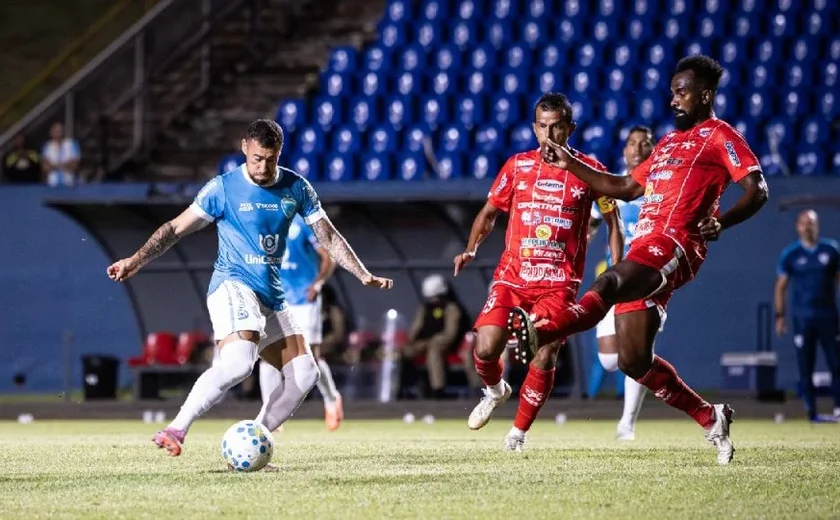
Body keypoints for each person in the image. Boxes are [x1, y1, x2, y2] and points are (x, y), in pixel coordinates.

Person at [520, 55, 769, 465]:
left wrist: (721, 222)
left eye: (682, 92)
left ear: (705, 95)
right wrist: (570, 163)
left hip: (676, 243)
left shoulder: (721, 135)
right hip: (644, 251)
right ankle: (711, 417)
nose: (673, 99)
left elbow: (757, 190)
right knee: (632, 360)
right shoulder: (669, 144)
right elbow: (623, 187)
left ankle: (544, 331)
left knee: (608, 282)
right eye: (672, 91)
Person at [107, 119, 392, 458]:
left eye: (270, 159)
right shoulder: (223, 189)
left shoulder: (296, 187)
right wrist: (136, 260)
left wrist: (362, 274)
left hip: (271, 295)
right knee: (240, 364)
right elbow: (175, 228)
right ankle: (176, 429)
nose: (263, 166)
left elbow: (327, 235)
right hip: (232, 284)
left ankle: (251, 441)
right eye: (257, 158)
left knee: (305, 374)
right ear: (245, 148)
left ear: (279, 153)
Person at [453, 92, 624, 451]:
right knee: (485, 349)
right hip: (513, 275)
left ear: (570, 128)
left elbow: (613, 222)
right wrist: (471, 248)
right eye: (543, 127)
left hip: (558, 283)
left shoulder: (591, 172)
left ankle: (518, 433)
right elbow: (489, 213)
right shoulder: (517, 166)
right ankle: (496, 390)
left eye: (558, 127)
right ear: (535, 128)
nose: (550, 135)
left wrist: (617, 267)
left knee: (545, 351)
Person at [587, 126, 656, 440]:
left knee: (635, 352)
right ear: (624, 151)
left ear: (653, 150)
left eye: (645, 144)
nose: (638, 149)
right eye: (632, 143)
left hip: (646, 280)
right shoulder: (612, 186)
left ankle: (627, 423)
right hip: (613, 278)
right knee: (611, 359)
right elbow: (589, 223)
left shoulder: (661, 188)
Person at [258, 212, 343, 431]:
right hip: (278, 299)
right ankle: (271, 413)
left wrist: (318, 283)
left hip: (304, 299)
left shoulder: (305, 224)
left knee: (310, 357)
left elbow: (328, 257)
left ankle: (332, 399)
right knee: (268, 356)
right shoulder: (265, 223)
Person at [774, 209, 840, 422]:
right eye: (804, 223)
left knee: (836, 364)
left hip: (828, 317)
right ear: (798, 226)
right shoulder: (791, 254)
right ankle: (811, 412)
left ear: (817, 225)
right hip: (803, 319)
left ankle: (838, 408)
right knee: (806, 366)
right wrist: (780, 316)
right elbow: (781, 287)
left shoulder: (830, 250)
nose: (808, 226)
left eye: (811, 222)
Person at [399, 274, 472, 399]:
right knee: (403, 352)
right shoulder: (425, 308)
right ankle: (401, 386)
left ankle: (438, 389)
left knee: (434, 350)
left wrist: (435, 340)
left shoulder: (452, 308)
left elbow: (450, 333)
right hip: (424, 342)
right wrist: (408, 342)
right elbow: (415, 328)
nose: (433, 300)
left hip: (445, 344)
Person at [41, 122, 81, 187]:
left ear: (63, 132)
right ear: (51, 132)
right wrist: (65, 165)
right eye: (55, 131)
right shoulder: (46, 146)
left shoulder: (72, 144)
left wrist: (54, 165)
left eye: (59, 130)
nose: (57, 133)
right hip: (52, 185)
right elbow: (45, 168)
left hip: (69, 184)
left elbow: (74, 165)